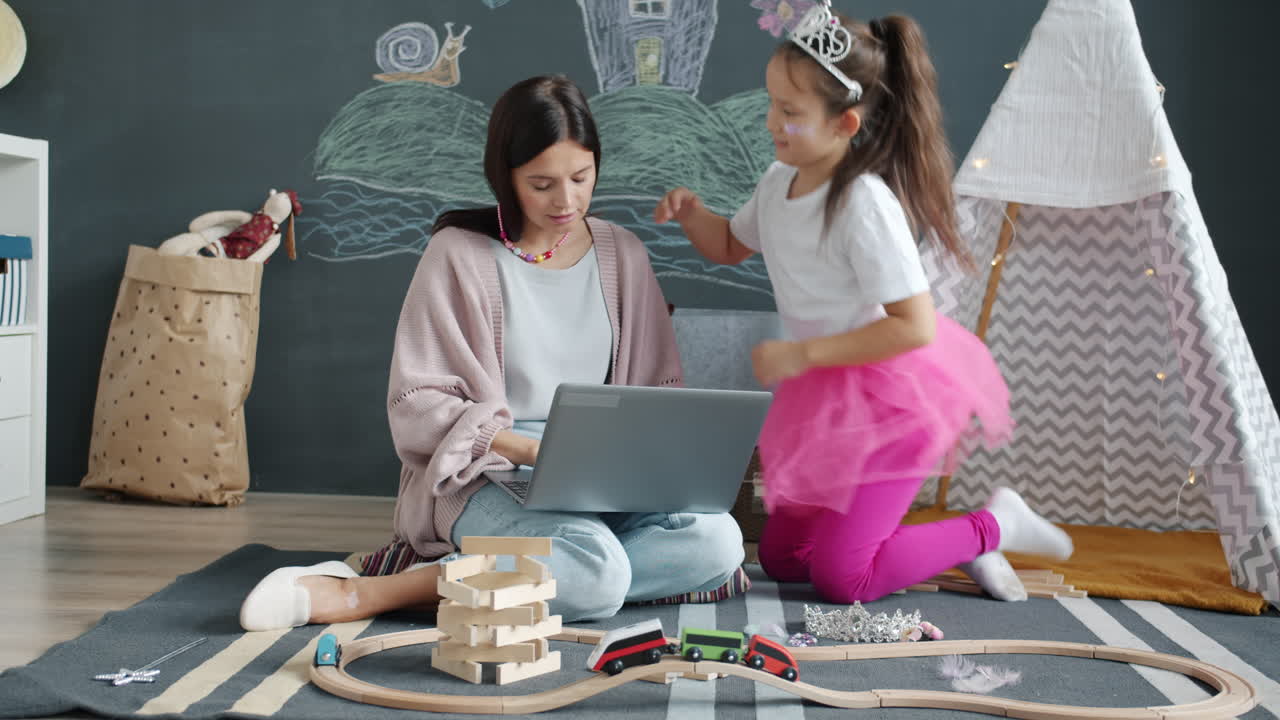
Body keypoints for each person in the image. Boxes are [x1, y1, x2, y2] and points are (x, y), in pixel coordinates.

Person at [239, 75, 747, 632]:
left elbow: (656, 392)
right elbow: (416, 404)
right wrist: (528, 448)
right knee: (595, 569)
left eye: (581, 177)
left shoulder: (622, 253)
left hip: (601, 480)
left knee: (718, 543)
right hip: (486, 473)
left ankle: (524, 579)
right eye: (542, 183)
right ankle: (371, 594)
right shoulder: (456, 253)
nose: (567, 201)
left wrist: (642, 461)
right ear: (505, 177)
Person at [653, 2, 1072, 604]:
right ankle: (891, 541)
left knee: (842, 578)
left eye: (790, 112)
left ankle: (991, 526)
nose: (772, 121)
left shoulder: (862, 204)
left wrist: (803, 355)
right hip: (823, 394)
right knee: (782, 559)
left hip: (891, 395)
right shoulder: (778, 182)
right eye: (771, 102)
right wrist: (693, 214)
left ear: (845, 124)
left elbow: (914, 326)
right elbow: (728, 245)